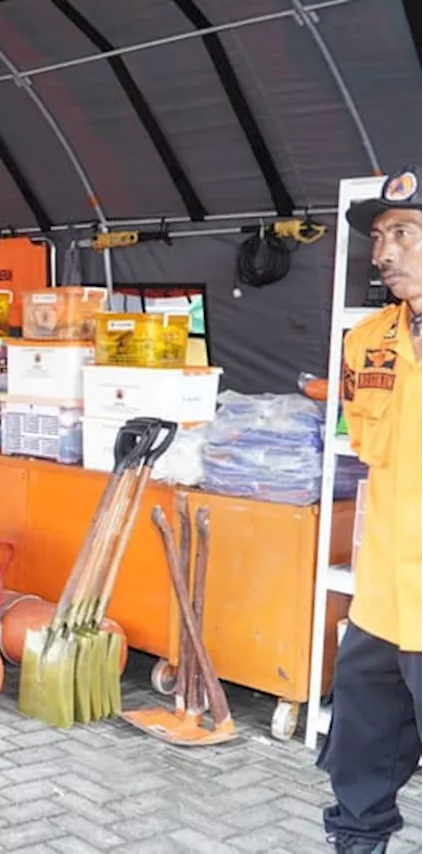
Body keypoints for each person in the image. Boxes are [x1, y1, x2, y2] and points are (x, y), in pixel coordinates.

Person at [320, 164, 423, 854]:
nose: (385, 253)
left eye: (406, 233)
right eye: (381, 237)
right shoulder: (367, 343)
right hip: (384, 598)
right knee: (361, 755)